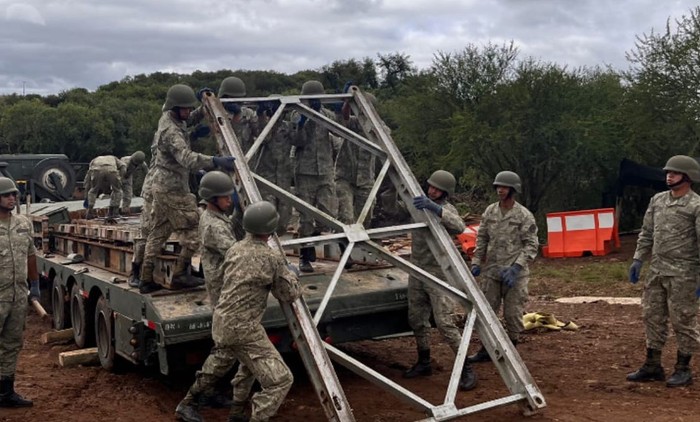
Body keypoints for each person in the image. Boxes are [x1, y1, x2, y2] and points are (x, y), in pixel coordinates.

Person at [175, 201, 300, 422]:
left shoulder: (236, 249)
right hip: (244, 327)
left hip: (223, 320)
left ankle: (226, 410)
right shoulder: (271, 258)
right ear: (272, 229)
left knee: (240, 365)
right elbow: (288, 293)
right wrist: (290, 273)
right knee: (280, 380)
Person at [139, 84, 236, 294]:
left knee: (159, 232)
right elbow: (187, 158)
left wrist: (203, 107)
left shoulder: (172, 118)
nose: (186, 112)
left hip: (162, 186)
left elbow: (188, 119)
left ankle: (145, 278)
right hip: (173, 189)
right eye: (184, 109)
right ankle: (181, 274)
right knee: (195, 229)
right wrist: (216, 161)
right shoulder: (171, 130)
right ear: (174, 107)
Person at [626, 155, 700, 388]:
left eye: (675, 173)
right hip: (657, 270)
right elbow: (647, 232)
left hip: (684, 273)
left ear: (688, 177)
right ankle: (652, 365)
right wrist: (638, 259)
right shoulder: (657, 200)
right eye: (668, 172)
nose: (669, 175)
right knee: (652, 316)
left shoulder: (696, 205)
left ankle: (683, 368)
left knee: (683, 320)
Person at [402, 170, 477, 391]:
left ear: (445, 193)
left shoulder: (446, 210)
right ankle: (424, 361)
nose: (432, 191)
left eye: (437, 189)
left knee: (445, 323)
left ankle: (466, 368)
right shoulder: (418, 203)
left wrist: (435, 208)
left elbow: (460, 226)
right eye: (431, 187)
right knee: (416, 319)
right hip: (417, 271)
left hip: (438, 274)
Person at [467, 171, 538, 363]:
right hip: (492, 271)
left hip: (515, 274)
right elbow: (481, 238)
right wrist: (476, 261)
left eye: (504, 187)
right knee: (487, 312)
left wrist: (516, 267)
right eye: (498, 187)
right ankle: (486, 349)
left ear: (513, 190)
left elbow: (531, 245)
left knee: (512, 314)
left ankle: (512, 349)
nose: (500, 190)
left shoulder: (523, 215)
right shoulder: (490, 211)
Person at [0, 177, 39, 408]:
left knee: (12, 344)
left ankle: (5, 392)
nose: (12, 198)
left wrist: (34, 286)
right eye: (7, 195)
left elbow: (31, 255)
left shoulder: (23, 223)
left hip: (17, 297)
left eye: (14, 194)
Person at [293, 80, 338, 272]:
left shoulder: (328, 115)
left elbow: (337, 134)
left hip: (325, 170)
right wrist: (303, 123)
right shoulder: (297, 113)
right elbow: (296, 141)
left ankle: (316, 238)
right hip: (305, 172)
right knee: (305, 216)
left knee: (328, 214)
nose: (315, 101)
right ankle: (305, 256)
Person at [253, 95, 293, 235]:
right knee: (267, 217)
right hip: (266, 178)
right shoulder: (261, 125)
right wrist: (262, 115)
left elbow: (300, 140)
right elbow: (265, 138)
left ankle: (277, 243)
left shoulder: (287, 127)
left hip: (283, 179)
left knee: (283, 220)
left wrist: (300, 125)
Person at [218, 76, 260, 154]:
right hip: (224, 160)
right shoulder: (217, 114)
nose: (236, 100)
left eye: (238, 98)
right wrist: (235, 117)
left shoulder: (248, 113)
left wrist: (261, 115)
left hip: (247, 159)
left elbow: (260, 134)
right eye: (232, 97)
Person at [83, 155, 127, 219]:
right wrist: (121, 177)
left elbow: (88, 177)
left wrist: (86, 192)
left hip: (97, 169)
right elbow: (123, 166)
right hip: (111, 169)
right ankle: (115, 212)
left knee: (93, 190)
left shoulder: (94, 160)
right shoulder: (114, 158)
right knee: (117, 190)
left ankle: (89, 212)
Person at [119, 150, 148, 215]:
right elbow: (120, 172)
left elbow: (147, 173)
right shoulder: (125, 161)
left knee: (128, 194)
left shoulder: (142, 163)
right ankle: (114, 210)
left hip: (128, 176)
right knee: (117, 193)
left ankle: (125, 210)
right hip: (119, 174)